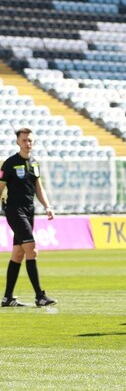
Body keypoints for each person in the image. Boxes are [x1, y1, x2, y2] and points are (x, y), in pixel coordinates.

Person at [0, 128, 57, 308]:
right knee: (32, 250)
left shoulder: (34, 163)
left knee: (18, 254)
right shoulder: (9, 163)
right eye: (24, 140)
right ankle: (40, 296)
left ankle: (7, 298)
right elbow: (0, 188)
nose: (28, 143)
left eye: (30, 140)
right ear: (18, 142)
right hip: (15, 211)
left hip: (29, 211)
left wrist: (47, 206)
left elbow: (39, 188)